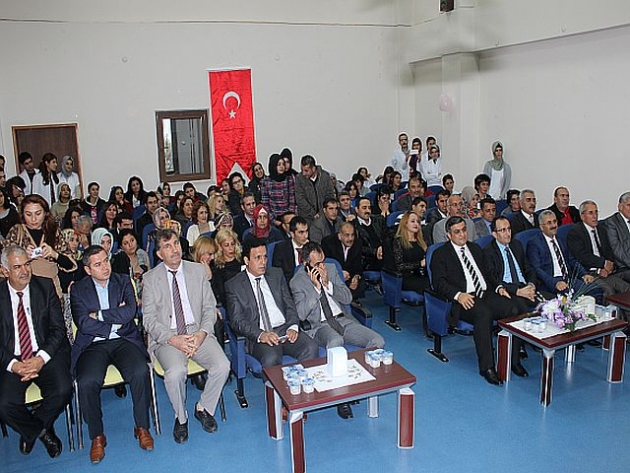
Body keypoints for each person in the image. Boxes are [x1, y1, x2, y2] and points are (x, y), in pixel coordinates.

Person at [142, 229, 230, 444]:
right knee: (175, 373)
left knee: (223, 365)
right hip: (168, 337)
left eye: (176, 243)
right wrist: (173, 339)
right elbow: (149, 320)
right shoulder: (150, 279)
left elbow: (210, 308)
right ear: (159, 254)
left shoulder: (197, 271)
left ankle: (204, 407)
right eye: (167, 246)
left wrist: (201, 334)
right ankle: (181, 418)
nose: (174, 249)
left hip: (196, 331)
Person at [71, 245, 153, 463]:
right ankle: (97, 436)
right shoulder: (78, 289)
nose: (105, 267)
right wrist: (113, 322)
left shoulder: (123, 281)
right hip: (93, 344)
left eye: (106, 261)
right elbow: (83, 323)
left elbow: (130, 312)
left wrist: (98, 315)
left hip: (124, 339)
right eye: (98, 264)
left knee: (139, 371)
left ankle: (142, 427)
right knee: (87, 381)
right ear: (88, 269)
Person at [290, 241, 385, 418]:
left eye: (323, 261)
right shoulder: (297, 282)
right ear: (306, 264)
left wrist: (329, 285)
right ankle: (342, 399)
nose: (322, 267)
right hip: (320, 326)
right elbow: (301, 314)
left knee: (377, 341)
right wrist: (316, 289)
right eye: (317, 264)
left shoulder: (332, 269)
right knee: (336, 342)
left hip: (343, 320)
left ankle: (363, 383)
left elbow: (348, 298)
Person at [430, 217, 524, 385]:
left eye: (464, 230)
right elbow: (439, 283)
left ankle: (513, 359)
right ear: (449, 235)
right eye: (457, 232)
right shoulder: (440, 254)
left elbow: (488, 274)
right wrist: (458, 295)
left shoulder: (475, 248)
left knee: (513, 308)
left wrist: (499, 288)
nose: (462, 234)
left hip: (486, 293)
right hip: (465, 299)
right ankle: (487, 367)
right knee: (483, 314)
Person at [0, 244, 72, 458]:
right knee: (4, 404)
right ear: (4, 271)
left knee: (63, 389)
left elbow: (58, 330)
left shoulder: (45, 286)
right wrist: (14, 365)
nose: (25, 271)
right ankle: (41, 431)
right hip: (13, 359)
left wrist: (40, 359)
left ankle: (31, 428)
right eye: (17, 267)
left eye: (27, 264)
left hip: (44, 353)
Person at [226, 238, 319, 369]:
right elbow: (237, 320)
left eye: (265, 257)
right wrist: (261, 335)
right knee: (271, 358)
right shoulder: (234, 285)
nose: (263, 262)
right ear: (246, 260)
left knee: (311, 347)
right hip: (259, 334)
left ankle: (301, 380)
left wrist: (292, 326)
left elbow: (289, 304)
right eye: (258, 258)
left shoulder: (276, 274)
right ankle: (276, 384)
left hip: (284, 329)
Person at [4, 194, 77, 297]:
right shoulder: (17, 232)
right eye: (28, 214)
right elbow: (5, 264)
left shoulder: (54, 231)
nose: (33, 219)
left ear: (46, 213)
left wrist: (55, 254)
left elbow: (70, 264)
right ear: (22, 214)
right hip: (24, 291)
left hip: (52, 291)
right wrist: (23, 257)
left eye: (38, 213)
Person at [483, 216, 548, 314]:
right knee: (521, 310)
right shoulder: (489, 252)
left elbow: (529, 268)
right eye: (503, 230)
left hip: (526, 287)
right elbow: (494, 279)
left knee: (553, 301)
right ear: (495, 234)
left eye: (509, 229)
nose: (508, 233)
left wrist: (531, 285)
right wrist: (517, 291)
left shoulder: (516, 245)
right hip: (509, 290)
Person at [568, 200, 630, 298]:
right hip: (589, 273)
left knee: (626, 288)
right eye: (591, 213)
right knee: (608, 290)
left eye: (596, 212)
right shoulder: (575, 232)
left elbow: (609, 251)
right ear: (582, 216)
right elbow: (582, 256)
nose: (595, 216)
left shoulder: (601, 230)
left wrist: (608, 266)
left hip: (606, 271)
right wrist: (602, 264)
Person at [527, 210, 595, 295]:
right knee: (574, 296)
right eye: (549, 223)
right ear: (541, 227)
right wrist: (555, 283)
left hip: (568, 278)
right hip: (551, 282)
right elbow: (537, 270)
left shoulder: (561, 240)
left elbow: (572, 261)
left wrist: (583, 274)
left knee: (596, 289)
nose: (553, 225)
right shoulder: (534, 243)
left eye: (554, 221)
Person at [385, 211, 429, 294]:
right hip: (405, 277)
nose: (416, 224)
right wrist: (419, 264)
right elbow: (400, 266)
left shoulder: (422, 241)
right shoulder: (398, 241)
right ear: (405, 224)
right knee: (427, 285)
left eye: (418, 222)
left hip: (421, 274)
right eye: (412, 221)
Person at [322, 222, 365, 301]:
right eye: (347, 235)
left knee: (361, 284)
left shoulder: (358, 243)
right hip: (334, 275)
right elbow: (326, 265)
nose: (350, 239)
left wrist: (356, 277)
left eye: (352, 235)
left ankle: (351, 300)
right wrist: (340, 273)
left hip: (349, 275)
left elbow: (358, 265)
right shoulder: (328, 243)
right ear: (339, 236)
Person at [294, 155, 336, 223]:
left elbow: (330, 195)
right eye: (302, 170)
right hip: (306, 217)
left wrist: (321, 213)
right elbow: (300, 199)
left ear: (313, 168)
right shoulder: (299, 179)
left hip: (324, 216)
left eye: (306, 171)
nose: (303, 173)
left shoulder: (325, 176)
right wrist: (313, 213)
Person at [111, 229, 151, 299]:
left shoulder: (143, 254)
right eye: (126, 243)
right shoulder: (119, 260)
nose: (130, 245)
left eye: (132, 240)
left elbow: (150, 275)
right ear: (121, 246)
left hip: (146, 295)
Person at [261, 153, 297, 226]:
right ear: (274, 166)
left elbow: (292, 201)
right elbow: (265, 204)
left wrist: (289, 218)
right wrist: (274, 221)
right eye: (279, 164)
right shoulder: (266, 181)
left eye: (283, 164)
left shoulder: (289, 179)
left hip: (288, 218)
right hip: (273, 219)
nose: (281, 167)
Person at [353, 196, 387, 272]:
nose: (368, 211)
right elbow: (358, 248)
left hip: (384, 254)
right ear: (356, 209)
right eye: (364, 208)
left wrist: (383, 248)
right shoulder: (353, 226)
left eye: (369, 208)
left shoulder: (379, 220)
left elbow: (387, 236)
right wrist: (375, 252)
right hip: (368, 261)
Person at [272, 216, 310, 282]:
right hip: (289, 283)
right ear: (292, 234)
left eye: (306, 231)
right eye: (301, 232)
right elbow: (278, 274)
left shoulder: (311, 247)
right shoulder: (281, 248)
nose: (305, 236)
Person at [211, 229, 242, 306]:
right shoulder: (218, 268)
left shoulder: (243, 261)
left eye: (232, 244)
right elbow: (222, 295)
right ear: (220, 247)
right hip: (231, 303)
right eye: (226, 245)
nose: (231, 248)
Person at [604, 191, 630, 277]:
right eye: (629, 205)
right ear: (620, 207)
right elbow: (616, 249)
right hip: (623, 267)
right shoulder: (611, 223)